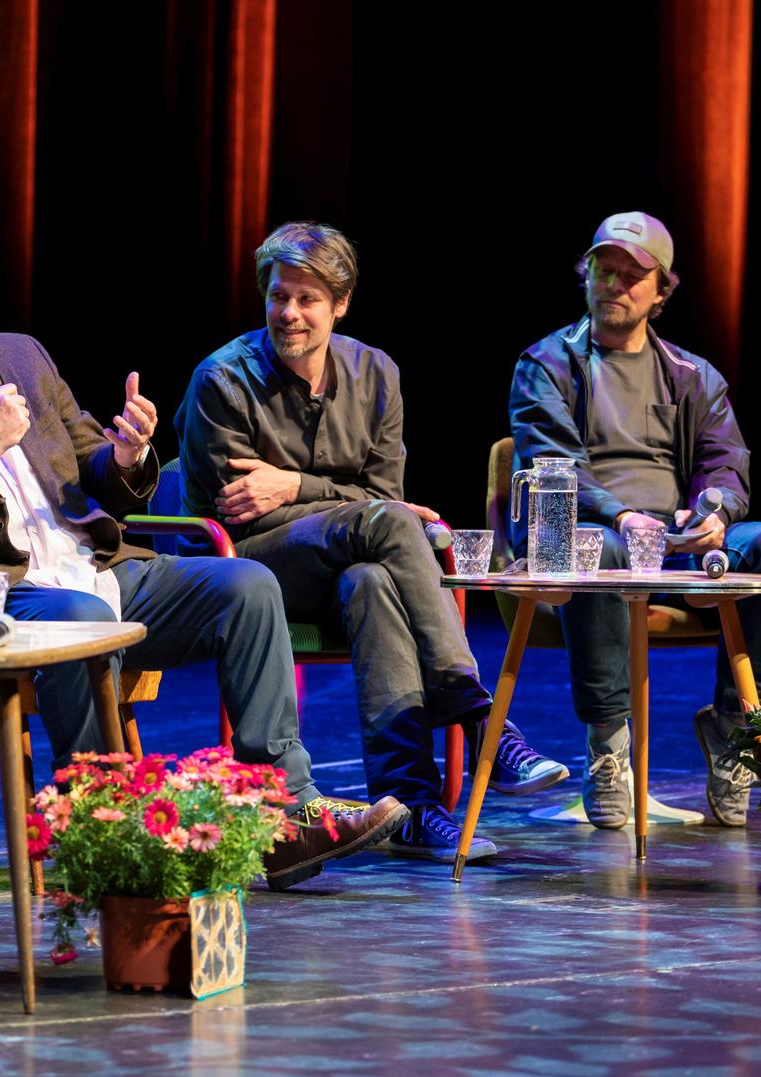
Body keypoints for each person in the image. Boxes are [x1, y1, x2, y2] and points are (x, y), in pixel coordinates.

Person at [0, 203, 408, 893]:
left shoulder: (18, 355)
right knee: (80, 623)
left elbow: (97, 471)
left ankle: (284, 809)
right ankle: (104, 829)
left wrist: (128, 453)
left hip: (99, 568)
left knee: (246, 587)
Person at [176, 222, 567, 865]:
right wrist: (337, 497)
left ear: (342, 303)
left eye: (307, 299)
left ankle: (408, 809)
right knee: (386, 527)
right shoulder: (223, 379)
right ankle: (476, 711)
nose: (290, 313)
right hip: (245, 570)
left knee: (373, 579)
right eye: (279, 296)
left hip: (342, 567)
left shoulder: (376, 373)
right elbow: (237, 509)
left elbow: (383, 491)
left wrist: (296, 484)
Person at [510, 211, 761, 829]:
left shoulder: (693, 376)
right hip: (592, 540)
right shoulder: (546, 363)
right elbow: (553, 464)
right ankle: (608, 747)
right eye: (603, 269)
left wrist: (714, 512)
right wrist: (622, 517)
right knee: (602, 551)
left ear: (661, 292)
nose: (614, 284)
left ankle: (734, 731)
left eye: (631, 275)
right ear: (584, 274)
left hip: (674, 546)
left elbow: (727, 465)